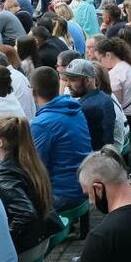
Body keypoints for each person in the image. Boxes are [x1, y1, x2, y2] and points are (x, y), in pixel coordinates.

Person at [0, 115, 61, 262]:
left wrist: (4, 243)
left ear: (0, 142)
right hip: (42, 236)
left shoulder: (2, 173)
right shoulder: (29, 160)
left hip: (28, 246)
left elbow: (25, 214)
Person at [28, 66, 92, 210]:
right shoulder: (75, 109)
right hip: (83, 182)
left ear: (33, 91)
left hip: (64, 193)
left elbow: (37, 167)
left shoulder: (42, 124)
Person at [60, 58, 117, 152]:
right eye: (67, 80)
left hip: (92, 160)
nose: (67, 84)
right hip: (105, 157)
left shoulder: (84, 108)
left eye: (73, 80)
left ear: (87, 80)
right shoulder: (105, 98)